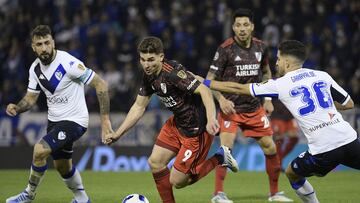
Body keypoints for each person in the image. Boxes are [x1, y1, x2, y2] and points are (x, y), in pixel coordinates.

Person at [202, 40, 360, 203]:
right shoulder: (322, 75)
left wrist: (206, 82)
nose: (276, 63)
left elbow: (239, 89)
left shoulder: (281, 84)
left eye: (278, 59)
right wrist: (324, 106)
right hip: (349, 139)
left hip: (323, 149)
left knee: (292, 172)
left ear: (286, 61)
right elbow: (348, 103)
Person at [104, 36, 238, 203]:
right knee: (155, 163)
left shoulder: (174, 73)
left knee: (178, 181)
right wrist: (118, 134)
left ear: (161, 57)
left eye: (151, 59)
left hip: (195, 130)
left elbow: (204, 90)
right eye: (143, 59)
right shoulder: (149, 75)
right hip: (176, 123)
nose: (146, 64)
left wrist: (211, 119)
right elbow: (138, 107)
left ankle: (220, 157)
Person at [6, 25, 112, 203]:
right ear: (33, 47)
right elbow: (31, 99)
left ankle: (29, 194)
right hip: (54, 122)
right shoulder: (35, 69)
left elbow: (101, 84)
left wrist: (105, 120)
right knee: (62, 166)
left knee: (39, 151)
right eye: (39, 44)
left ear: (53, 42)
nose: (44, 47)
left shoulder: (68, 63)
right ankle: (82, 199)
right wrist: (17, 107)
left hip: (75, 121)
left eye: (47, 42)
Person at [206, 8, 292, 202]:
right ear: (233, 27)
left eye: (246, 25)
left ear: (252, 27)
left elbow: (267, 73)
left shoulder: (261, 47)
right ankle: (218, 194)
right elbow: (209, 80)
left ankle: (274, 193)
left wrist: (268, 99)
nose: (242, 29)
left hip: (254, 108)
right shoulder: (225, 49)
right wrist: (221, 100)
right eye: (238, 25)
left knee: (270, 148)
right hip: (231, 109)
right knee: (225, 151)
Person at [271, 99, 299, 168]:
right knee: (279, 140)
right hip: (277, 115)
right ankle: (278, 164)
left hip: (290, 116)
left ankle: (280, 158)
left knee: (294, 138)